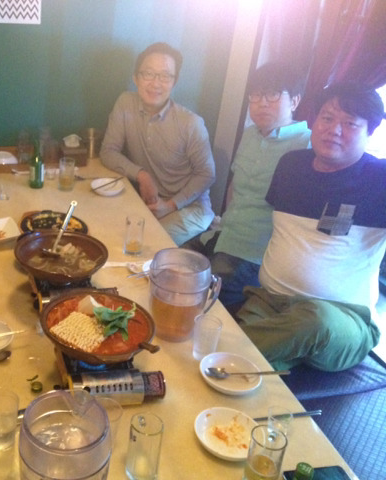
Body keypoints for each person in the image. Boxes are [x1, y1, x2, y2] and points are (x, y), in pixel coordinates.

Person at [236, 82, 385, 372]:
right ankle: (258, 361)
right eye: (327, 118)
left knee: (315, 320)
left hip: (341, 319)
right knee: (249, 376)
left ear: (371, 131)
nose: (334, 130)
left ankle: (223, 354)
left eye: (350, 123)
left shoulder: (379, 179)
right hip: (268, 303)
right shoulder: (290, 165)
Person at [184, 62, 311, 308]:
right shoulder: (251, 134)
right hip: (222, 235)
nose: (262, 103)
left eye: (272, 94)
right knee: (166, 263)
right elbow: (235, 186)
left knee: (199, 300)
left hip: (253, 254)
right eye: (256, 95)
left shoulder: (306, 146)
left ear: (294, 101)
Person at [100, 42, 216, 246]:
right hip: (149, 202)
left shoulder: (190, 123)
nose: (156, 83)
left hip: (190, 209)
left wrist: (171, 205)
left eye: (165, 76)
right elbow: (108, 151)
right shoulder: (125, 103)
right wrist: (142, 175)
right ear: (136, 78)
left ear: (174, 82)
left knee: (141, 244)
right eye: (148, 74)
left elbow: (207, 174)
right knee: (104, 228)